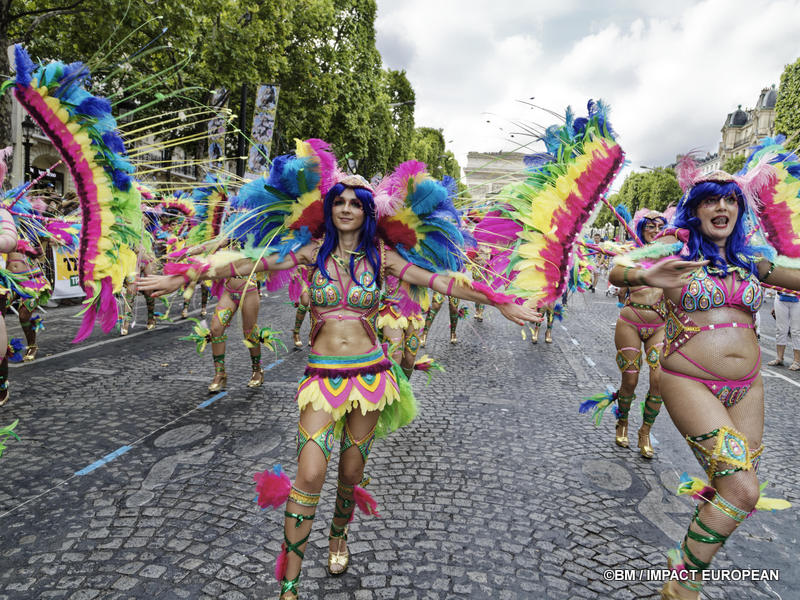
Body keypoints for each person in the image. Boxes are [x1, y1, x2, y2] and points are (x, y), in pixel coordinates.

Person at [139, 172, 541, 600]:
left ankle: (337, 535)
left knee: (351, 473)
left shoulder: (383, 257)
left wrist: (500, 301)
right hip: (322, 377)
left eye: (356, 203)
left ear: (368, 212)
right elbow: (245, 262)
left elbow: (441, 281)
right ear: (329, 208)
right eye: (339, 201)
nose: (346, 208)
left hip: (370, 377)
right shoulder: (311, 254)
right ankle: (289, 588)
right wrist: (183, 277)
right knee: (309, 474)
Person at [609, 164, 799, 599]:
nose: (722, 207)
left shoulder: (752, 258)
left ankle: (684, 576)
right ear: (695, 210)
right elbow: (620, 270)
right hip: (689, 381)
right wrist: (645, 274)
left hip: (748, 387)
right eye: (712, 199)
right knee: (742, 488)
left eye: (730, 199)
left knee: (734, 490)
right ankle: (682, 584)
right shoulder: (673, 247)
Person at [611, 210, 668, 459]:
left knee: (658, 381)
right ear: (642, 228)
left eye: (660, 226)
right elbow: (616, 280)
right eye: (650, 227)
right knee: (631, 380)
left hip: (660, 326)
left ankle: (644, 432)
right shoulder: (631, 254)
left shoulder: (671, 256)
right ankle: (622, 421)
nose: (655, 231)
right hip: (631, 322)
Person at [767, 291, 800, 370]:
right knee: (780, 329)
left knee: (796, 331)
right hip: (780, 297)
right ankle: (779, 358)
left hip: (798, 299)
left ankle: (797, 361)